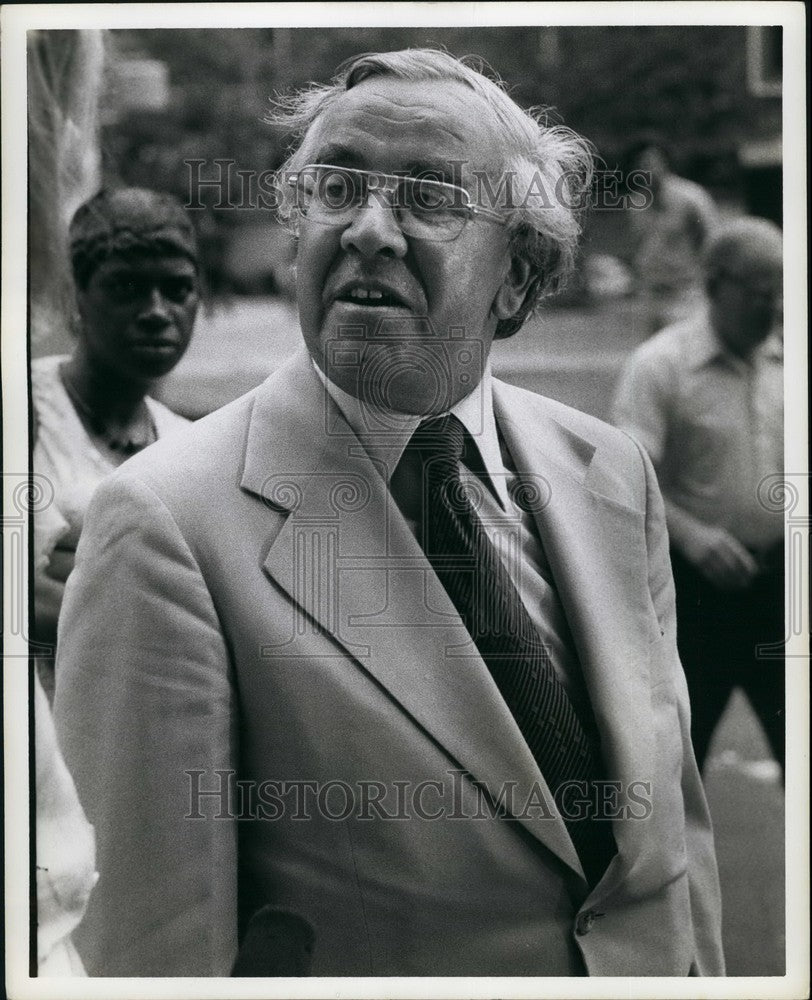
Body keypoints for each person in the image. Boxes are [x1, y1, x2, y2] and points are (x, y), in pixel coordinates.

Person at [54, 50, 724, 977]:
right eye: (335, 188)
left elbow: (672, 846)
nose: (368, 229)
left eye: (431, 196)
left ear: (521, 278)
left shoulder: (610, 472)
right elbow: (150, 946)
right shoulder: (165, 525)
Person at [613, 216, 784, 776]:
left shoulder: (788, 363)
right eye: (761, 294)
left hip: (780, 589)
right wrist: (693, 536)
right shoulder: (660, 367)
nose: (774, 309)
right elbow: (624, 481)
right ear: (715, 284)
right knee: (676, 768)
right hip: (696, 598)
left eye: (782, 292)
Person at [32, 186, 200, 699]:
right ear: (75, 296)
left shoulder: (192, 448)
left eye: (177, 289)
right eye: (126, 287)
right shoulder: (25, 412)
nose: (156, 310)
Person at [625, 135, 718, 333]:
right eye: (640, 163)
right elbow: (639, 245)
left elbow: (712, 242)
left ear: (665, 162)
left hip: (685, 294)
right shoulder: (637, 203)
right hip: (651, 293)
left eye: (651, 162)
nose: (646, 168)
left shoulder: (691, 198)